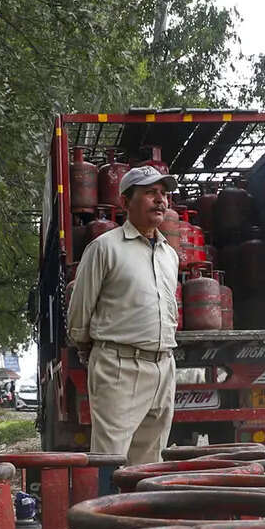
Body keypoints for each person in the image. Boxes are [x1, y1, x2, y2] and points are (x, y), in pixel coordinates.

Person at [66, 164, 179, 465]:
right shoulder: (104, 248)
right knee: (111, 460)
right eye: (150, 193)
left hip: (163, 366)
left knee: (150, 463)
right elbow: (80, 308)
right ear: (125, 202)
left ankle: (142, 515)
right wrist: (86, 347)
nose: (161, 200)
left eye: (164, 194)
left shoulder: (170, 255)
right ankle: (106, 513)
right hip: (118, 366)